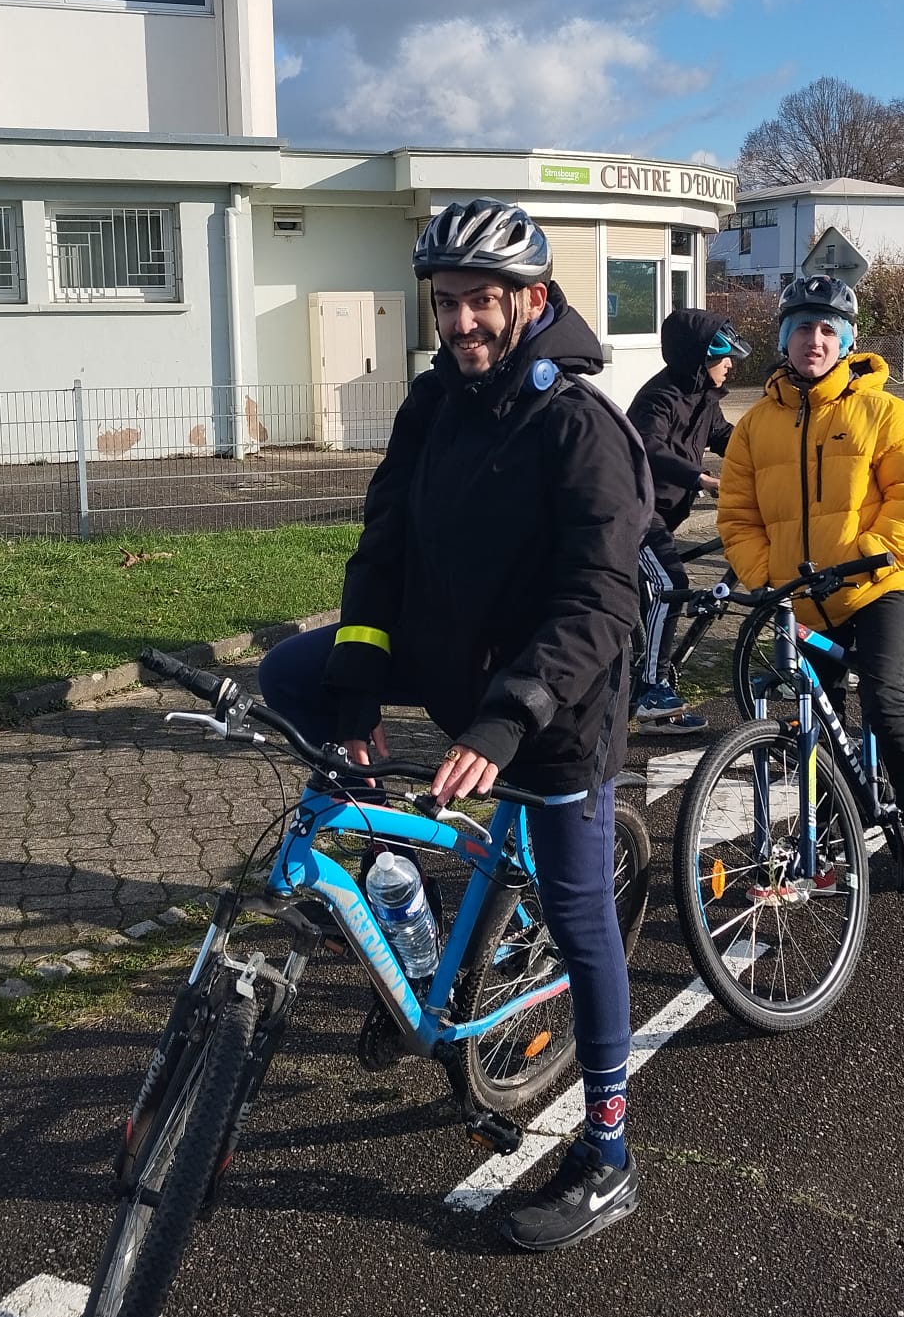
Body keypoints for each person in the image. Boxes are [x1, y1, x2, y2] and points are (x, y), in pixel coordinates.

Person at [257, 196, 651, 1252]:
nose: (465, 321)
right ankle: (415, 933)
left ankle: (610, 1156)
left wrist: (509, 721)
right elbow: (382, 546)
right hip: (447, 663)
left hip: (554, 704)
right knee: (282, 682)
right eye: (449, 301)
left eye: (485, 300)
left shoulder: (580, 425)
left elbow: (601, 601)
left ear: (533, 300)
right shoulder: (433, 403)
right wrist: (352, 691)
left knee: (580, 919)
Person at [717, 274, 904, 905]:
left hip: (878, 586)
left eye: (828, 329)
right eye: (802, 327)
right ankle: (828, 847)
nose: (814, 340)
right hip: (800, 596)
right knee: (811, 732)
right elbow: (736, 516)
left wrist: (872, 554)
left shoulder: (883, 411)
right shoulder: (754, 426)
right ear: (783, 337)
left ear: (846, 339)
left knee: (882, 698)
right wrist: (766, 576)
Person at [628, 310, 749, 728]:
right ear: (700, 358)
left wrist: (774, 459)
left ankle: (653, 703)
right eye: (724, 357)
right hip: (632, 512)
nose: (730, 364)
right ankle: (652, 690)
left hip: (663, 513)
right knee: (670, 586)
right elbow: (647, 447)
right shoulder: (659, 398)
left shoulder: (702, 397)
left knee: (653, 601)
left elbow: (726, 439)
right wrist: (702, 479)